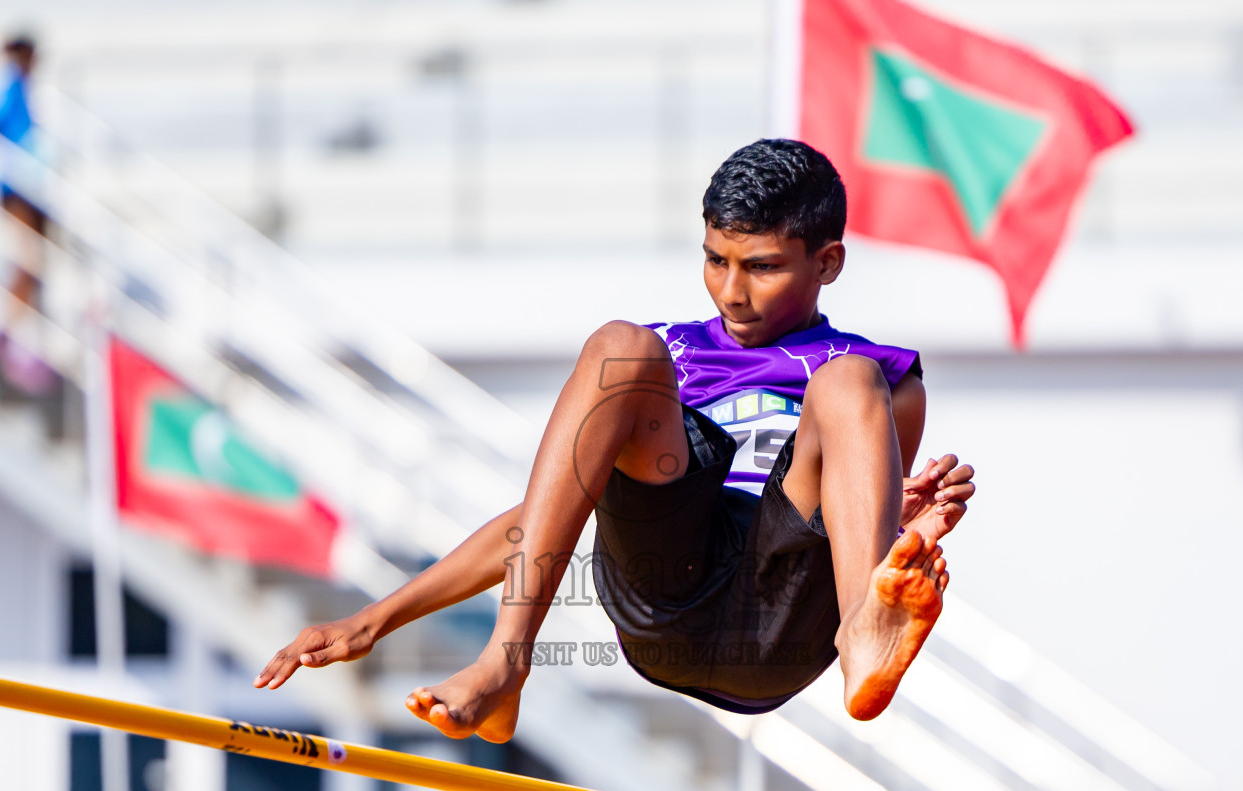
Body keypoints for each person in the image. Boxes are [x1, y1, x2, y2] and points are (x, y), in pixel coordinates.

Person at [255, 139, 976, 741]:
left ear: (827, 264)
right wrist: (372, 620)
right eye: (715, 260)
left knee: (848, 381)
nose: (731, 291)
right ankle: (506, 664)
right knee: (618, 347)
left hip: (783, 625)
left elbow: (850, 525)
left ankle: (865, 641)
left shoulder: (883, 378)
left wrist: (897, 525)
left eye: (761, 267)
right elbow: (540, 516)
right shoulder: (669, 355)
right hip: (667, 595)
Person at [0, 32, 55, 394]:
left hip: (28, 186)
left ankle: (6, 333)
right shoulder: (9, 86)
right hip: (19, 188)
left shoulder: (20, 87)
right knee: (27, 263)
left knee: (30, 267)